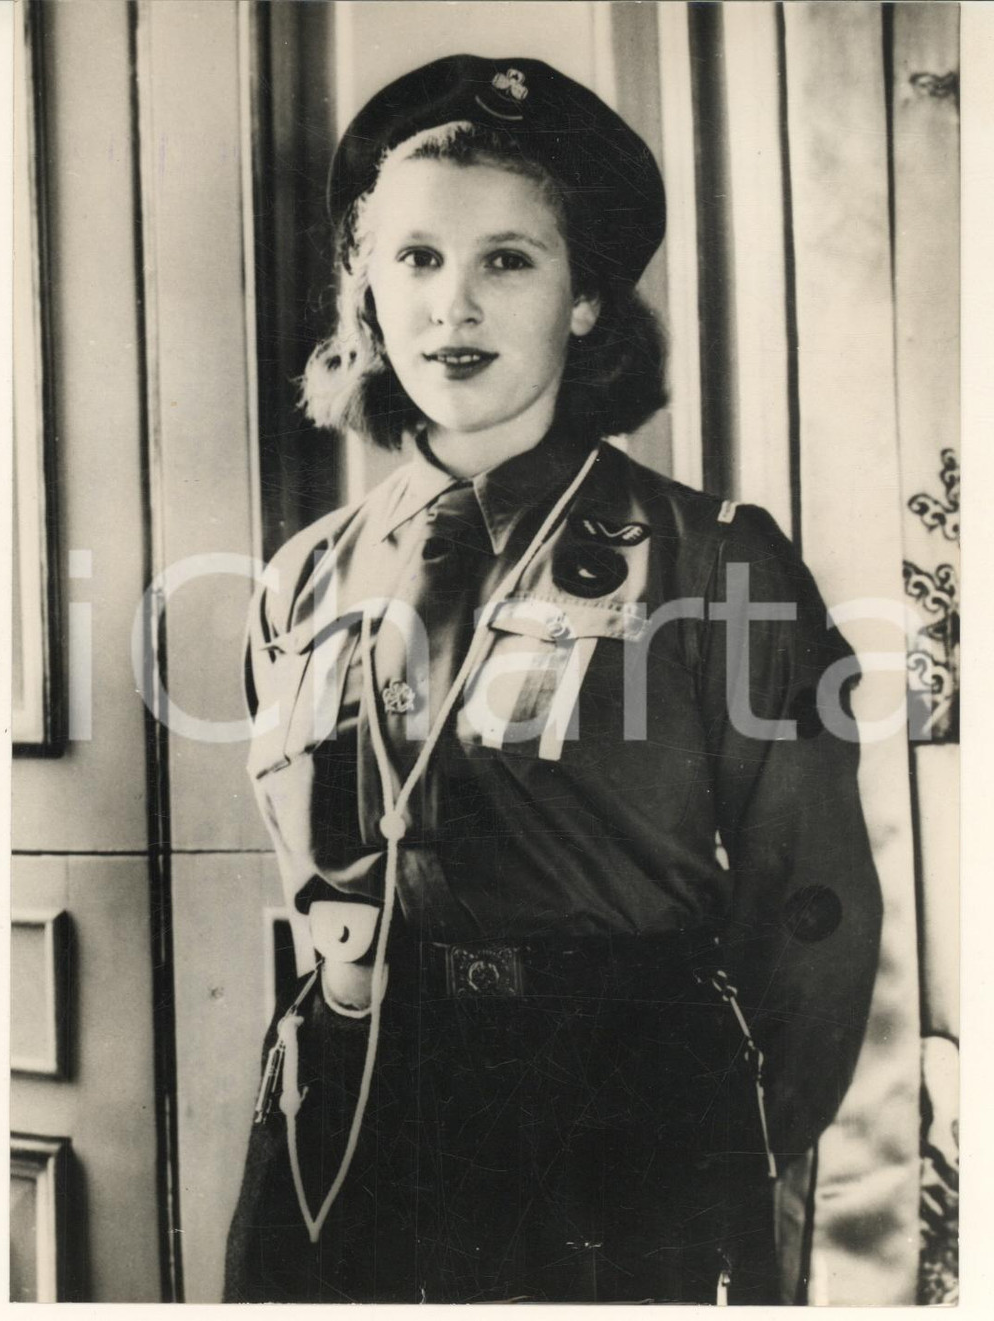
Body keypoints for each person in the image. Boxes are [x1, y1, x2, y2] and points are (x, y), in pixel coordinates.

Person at [224, 55, 882, 1305]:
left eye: (507, 261)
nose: (453, 306)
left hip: (619, 1136)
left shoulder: (714, 560)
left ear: (583, 301)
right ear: (367, 288)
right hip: (349, 1123)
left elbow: (813, 919)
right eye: (417, 259)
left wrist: (705, 1163)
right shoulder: (298, 579)